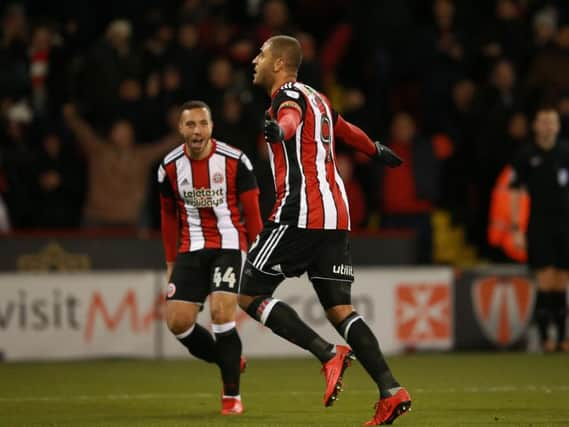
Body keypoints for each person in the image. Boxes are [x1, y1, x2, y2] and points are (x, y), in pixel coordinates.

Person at [238, 35, 411, 426]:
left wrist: (279, 131)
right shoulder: (319, 98)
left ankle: (327, 353)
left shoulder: (288, 96)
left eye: (262, 55)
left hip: (300, 214)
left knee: (248, 294)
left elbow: (289, 119)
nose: (255, 60)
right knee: (340, 309)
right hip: (337, 216)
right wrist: (376, 149)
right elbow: (347, 131)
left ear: (280, 63)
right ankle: (390, 390)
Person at [158, 100, 263, 414]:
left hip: (229, 245)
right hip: (190, 250)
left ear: (211, 127)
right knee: (177, 323)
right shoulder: (169, 166)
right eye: (190, 125)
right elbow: (167, 217)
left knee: (221, 312)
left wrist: (258, 258)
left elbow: (253, 213)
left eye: (202, 124)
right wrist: (170, 262)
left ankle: (232, 395)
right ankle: (228, 359)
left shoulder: (235, 160)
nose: (196, 131)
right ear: (180, 129)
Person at [510, 106, 569, 353]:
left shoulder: (566, 151)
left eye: (551, 121)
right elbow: (515, 190)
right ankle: (547, 339)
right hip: (539, 225)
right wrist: (516, 227)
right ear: (535, 126)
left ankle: (563, 338)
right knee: (544, 281)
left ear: (557, 125)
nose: (547, 126)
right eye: (542, 121)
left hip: (566, 224)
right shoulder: (526, 155)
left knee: (561, 282)